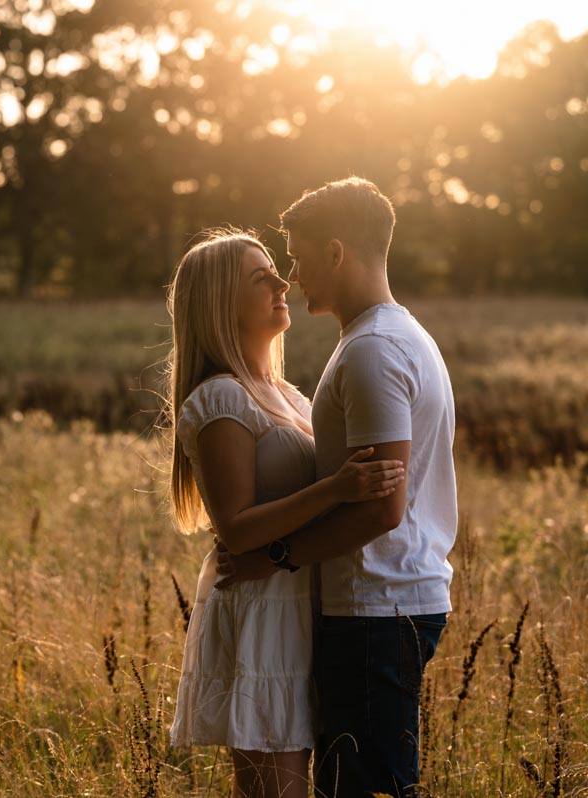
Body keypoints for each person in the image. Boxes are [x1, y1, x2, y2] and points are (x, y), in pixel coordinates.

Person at [216, 178, 457, 798]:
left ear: (335, 252)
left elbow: (380, 507)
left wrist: (276, 557)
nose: (291, 276)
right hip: (387, 602)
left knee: (366, 786)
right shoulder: (396, 337)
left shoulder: (374, 350)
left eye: (296, 257)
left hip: (375, 607)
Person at [164, 227, 406, 798]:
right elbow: (236, 528)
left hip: (303, 599)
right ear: (223, 303)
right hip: (263, 612)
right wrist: (337, 490)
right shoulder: (221, 397)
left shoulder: (287, 393)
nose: (283, 282)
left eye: (278, 268)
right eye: (260, 277)